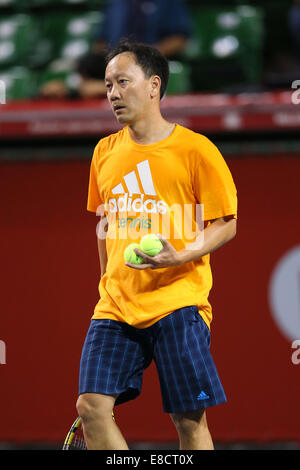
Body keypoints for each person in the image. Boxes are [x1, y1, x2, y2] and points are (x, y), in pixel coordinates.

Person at [76, 40, 237, 450]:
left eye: (122, 82)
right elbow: (105, 225)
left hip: (178, 304)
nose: (112, 93)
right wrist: (105, 282)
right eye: (109, 84)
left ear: (153, 86)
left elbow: (226, 224)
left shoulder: (196, 149)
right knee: (91, 406)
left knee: (188, 422)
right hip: (115, 306)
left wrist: (180, 254)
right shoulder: (104, 152)